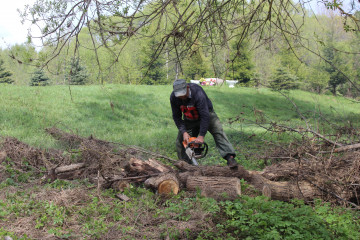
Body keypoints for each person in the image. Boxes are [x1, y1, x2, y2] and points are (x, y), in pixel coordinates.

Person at [170, 79, 238, 168]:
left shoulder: (197, 92)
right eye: (179, 95)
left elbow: (205, 116)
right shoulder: (174, 97)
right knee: (180, 141)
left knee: (218, 132)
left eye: (183, 94)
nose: (182, 97)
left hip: (207, 115)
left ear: (187, 88)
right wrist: (184, 132)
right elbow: (176, 116)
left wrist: (201, 135)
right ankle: (185, 165)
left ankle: (230, 158)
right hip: (189, 117)